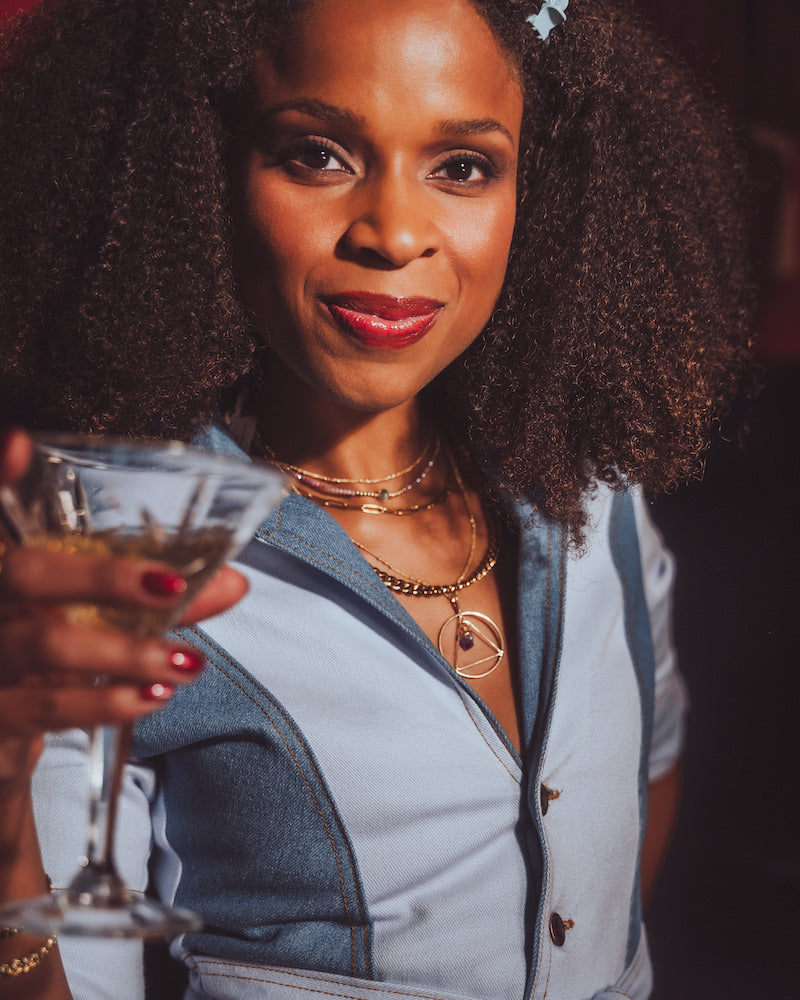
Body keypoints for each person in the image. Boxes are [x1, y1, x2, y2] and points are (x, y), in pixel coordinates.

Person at [0, 0, 754, 998]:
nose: (395, 233)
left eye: (462, 166)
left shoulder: (588, 480)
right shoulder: (119, 548)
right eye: (315, 154)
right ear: (197, 174)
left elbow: (645, 766)